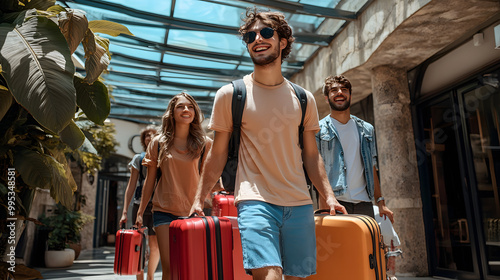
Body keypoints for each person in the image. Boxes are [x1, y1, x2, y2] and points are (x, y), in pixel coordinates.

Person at [189, 7, 346, 280]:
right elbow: (217, 153)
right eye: (250, 36)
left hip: (299, 203)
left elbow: (311, 155)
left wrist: (328, 195)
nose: (257, 39)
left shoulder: (304, 98)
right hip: (254, 201)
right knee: (270, 276)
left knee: (299, 277)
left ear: (282, 42)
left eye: (265, 32)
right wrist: (198, 198)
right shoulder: (231, 94)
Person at [135, 92, 212, 280]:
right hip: (164, 210)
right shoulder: (158, 143)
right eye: (180, 106)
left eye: (190, 106)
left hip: (194, 212)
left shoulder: (205, 143)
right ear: (172, 112)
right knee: (170, 268)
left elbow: (209, 179)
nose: (186, 109)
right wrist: (140, 211)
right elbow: (149, 181)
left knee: (191, 267)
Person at [316, 75, 394, 223]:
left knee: (366, 246)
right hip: (335, 203)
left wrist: (381, 203)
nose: (339, 92)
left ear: (350, 95)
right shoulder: (318, 130)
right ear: (327, 98)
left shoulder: (366, 129)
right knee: (338, 246)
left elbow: (372, 167)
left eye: (344, 89)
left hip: (364, 204)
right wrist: (324, 206)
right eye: (334, 90)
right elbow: (318, 169)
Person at [119, 125, 159, 280]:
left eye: (153, 134)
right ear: (143, 139)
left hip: (158, 205)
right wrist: (124, 211)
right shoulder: (138, 158)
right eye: (147, 135)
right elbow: (131, 185)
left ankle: (150, 277)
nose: (150, 137)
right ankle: (139, 277)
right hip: (139, 205)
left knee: (155, 245)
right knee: (139, 243)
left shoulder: (165, 157)